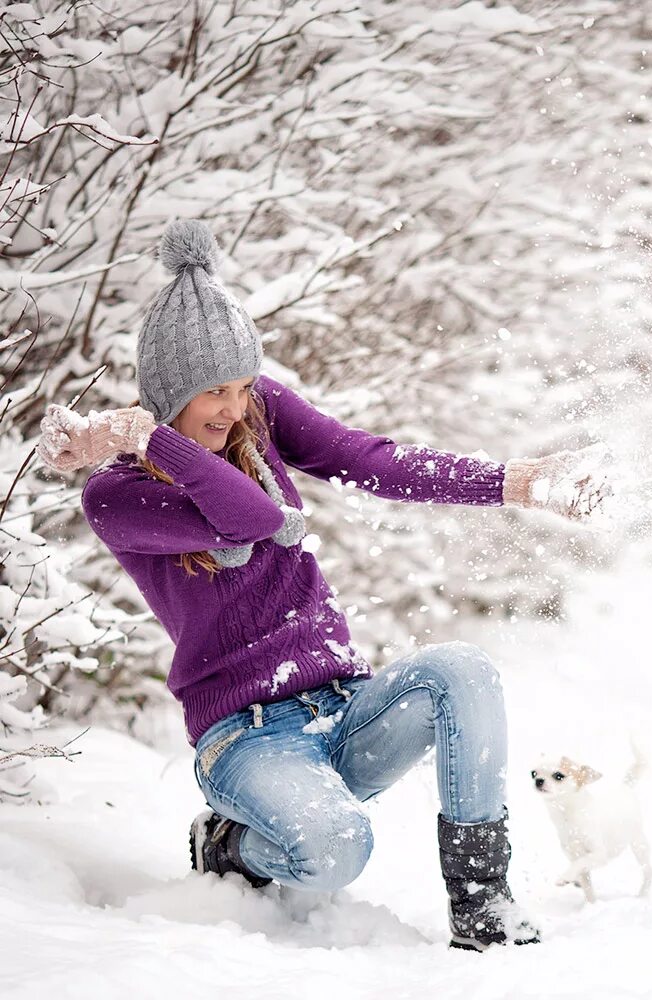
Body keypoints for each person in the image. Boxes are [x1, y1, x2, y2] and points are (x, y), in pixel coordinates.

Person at [38, 220, 609, 951]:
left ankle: (483, 903)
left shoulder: (262, 416)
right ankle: (229, 845)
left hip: (342, 708)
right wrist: (150, 440)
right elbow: (247, 519)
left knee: (461, 671)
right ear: (166, 395)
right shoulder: (117, 496)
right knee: (336, 854)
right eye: (215, 391)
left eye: (245, 386)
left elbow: (370, 460)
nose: (236, 408)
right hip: (245, 739)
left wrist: (517, 482)